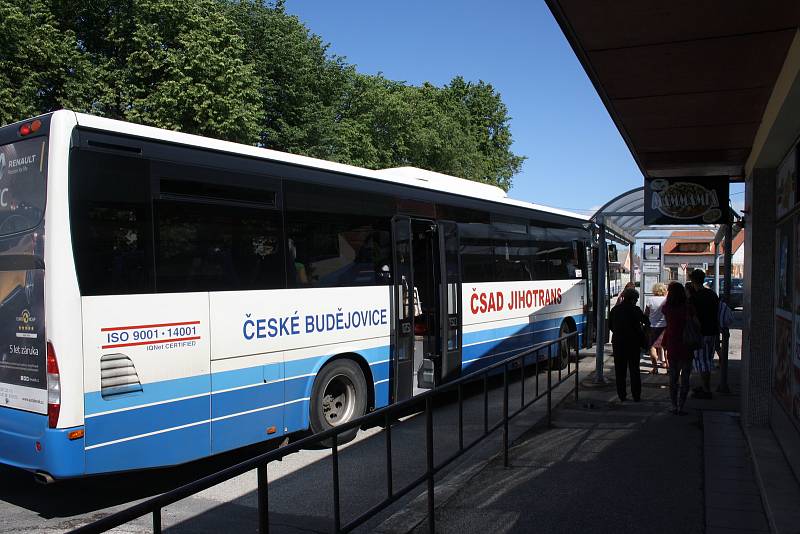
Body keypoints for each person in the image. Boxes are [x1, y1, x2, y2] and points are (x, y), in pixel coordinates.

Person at [609, 287, 650, 402]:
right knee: (634, 370)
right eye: (636, 299)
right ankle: (636, 395)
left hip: (618, 343)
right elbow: (646, 322)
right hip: (633, 343)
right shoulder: (635, 309)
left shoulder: (615, 309)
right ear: (633, 299)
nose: (636, 301)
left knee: (620, 370)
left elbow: (610, 326)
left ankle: (622, 395)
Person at [661, 281, 693, 415]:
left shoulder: (667, 307)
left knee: (673, 377)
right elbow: (695, 322)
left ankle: (673, 405)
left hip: (672, 342)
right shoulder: (688, 307)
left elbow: (666, 319)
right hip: (687, 343)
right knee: (685, 377)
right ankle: (682, 405)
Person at [689, 269, 719, 398]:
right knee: (708, 359)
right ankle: (705, 386)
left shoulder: (694, 297)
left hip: (700, 333)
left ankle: (706, 390)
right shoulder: (712, 294)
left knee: (702, 361)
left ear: (693, 281)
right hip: (712, 331)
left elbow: (692, 316)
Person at [645, 282, 668, 374]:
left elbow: (646, 314)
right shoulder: (666, 300)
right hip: (665, 326)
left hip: (653, 326)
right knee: (666, 347)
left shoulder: (650, 300)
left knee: (652, 347)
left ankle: (655, 368)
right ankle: (668, 368)